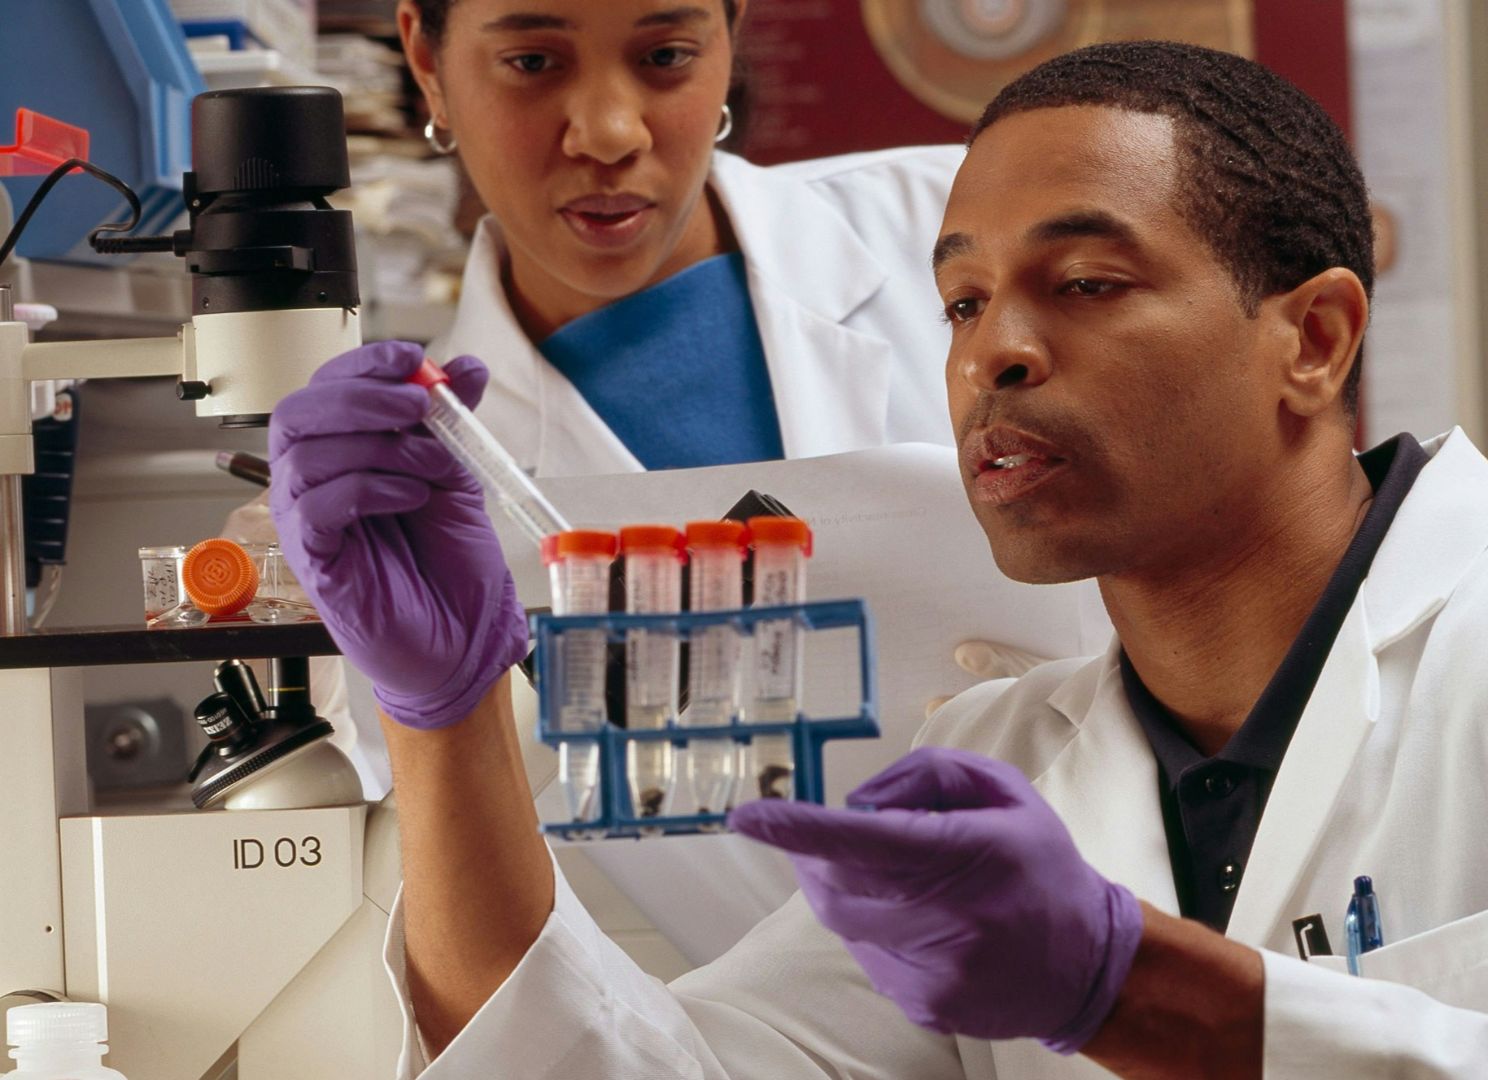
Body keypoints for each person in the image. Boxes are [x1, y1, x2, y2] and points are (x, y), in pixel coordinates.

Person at [268, 40, 1488, 1079]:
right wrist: (446, 712)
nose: (994, 357)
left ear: (1314, 334)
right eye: (964, 302)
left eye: (1088, 284)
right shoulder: (990, 782)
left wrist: (1135, 993)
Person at [282, 0, 1044, 965]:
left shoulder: (962, 227)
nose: (608, 131)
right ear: (428, 61)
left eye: (667, 56)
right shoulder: (417, 510)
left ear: (729, 43)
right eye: (531, 61)